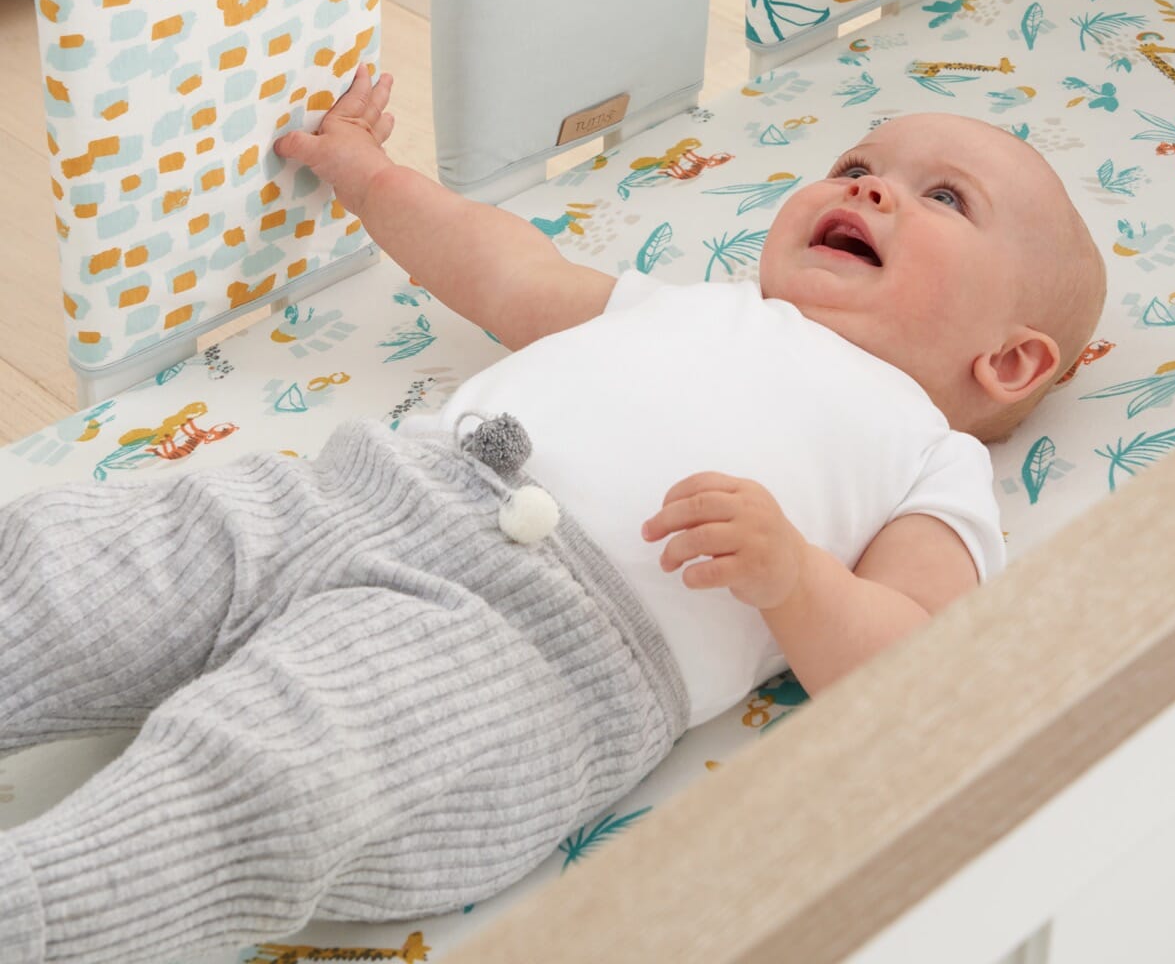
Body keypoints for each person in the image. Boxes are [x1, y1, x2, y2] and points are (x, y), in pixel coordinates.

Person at [0, 68, 1106, 963]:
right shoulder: (697, 306)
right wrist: (375, 178)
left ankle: (40, 914)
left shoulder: (929, 454)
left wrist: (798, 581)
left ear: (1007, 359)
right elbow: (504, 272)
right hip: (356, 494)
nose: (869, 189)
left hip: (531, 648)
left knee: (277, 766)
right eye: (858, 165)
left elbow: (920, 659)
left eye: (942, 197)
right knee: (84, 562)